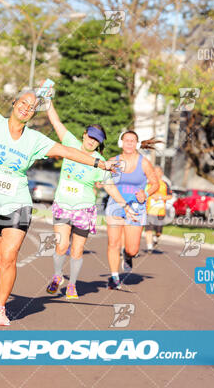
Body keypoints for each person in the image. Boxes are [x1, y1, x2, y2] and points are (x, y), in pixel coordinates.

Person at [0, 36, 117, 326]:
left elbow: (67, 151)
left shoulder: (36, 139)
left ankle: (1, 308)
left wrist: (101, 162)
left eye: (32, 106)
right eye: (23, 103)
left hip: (18, 205)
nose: (27, 108)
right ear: (14, 103)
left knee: (9, 256)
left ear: (33, 112)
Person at [44, 102, 130, 300]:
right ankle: (57, 276)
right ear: (84, 134)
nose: (92, 141)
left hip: (84, 209)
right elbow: (55, 121)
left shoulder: (102, 162)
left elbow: (109, 186)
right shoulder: (70, 143)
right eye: (90, 137)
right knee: (61, 244)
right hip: (63, 204)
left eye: (96, 140)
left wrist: (125, 205)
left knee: (77, 249)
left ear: (100, 143)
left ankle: (72, 284)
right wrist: (46, 99)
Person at [104, 131, 160, 290]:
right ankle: (114, 278)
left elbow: (155, 183)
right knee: (113, 243)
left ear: (136, 143)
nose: (129, 143)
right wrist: (100, 182)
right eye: (126, 140)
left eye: (132, 140)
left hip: (136, 207)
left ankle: (128, 256)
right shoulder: (113, 161)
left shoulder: (144, 162)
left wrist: (146, 193)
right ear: (121, 143)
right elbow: (102, 179)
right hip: (115, 206)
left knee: (132, 248)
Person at [144, 165, 172, 251]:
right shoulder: (148, 184)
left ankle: (156, 238)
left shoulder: (165, 184)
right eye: (154, 171)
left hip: (160, 212)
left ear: (161, 173)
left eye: (158, 171)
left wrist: (160, 197)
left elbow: (170, 196)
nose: (156, 173)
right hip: (149, 211)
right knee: (148, 230)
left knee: (159, 232)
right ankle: (149, 247)